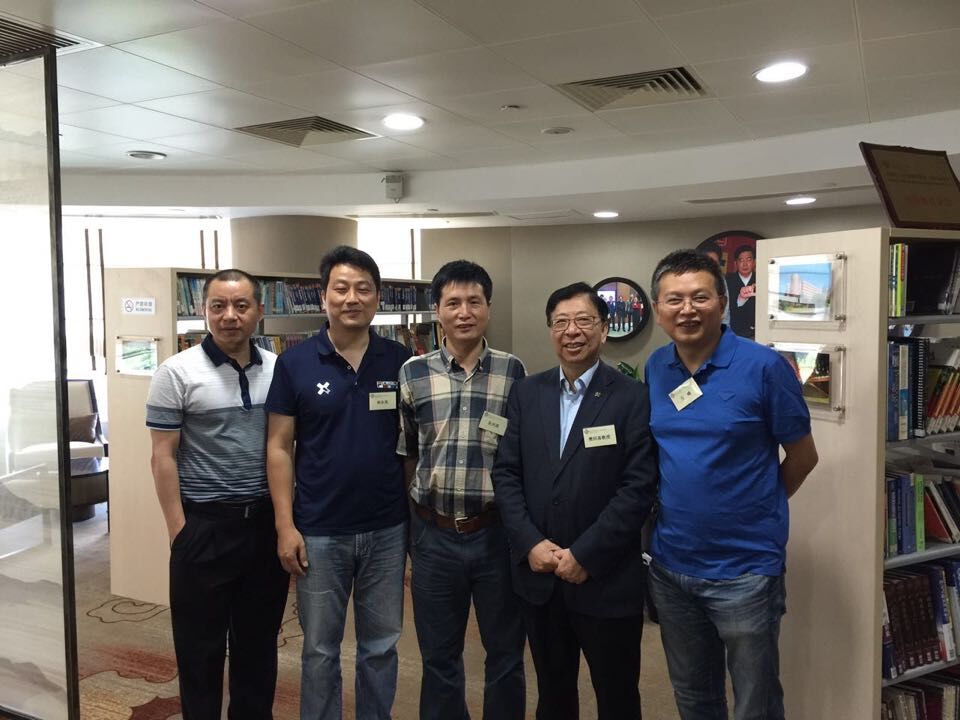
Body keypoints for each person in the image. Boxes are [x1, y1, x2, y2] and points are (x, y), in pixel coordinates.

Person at [645, 249, 819, 720]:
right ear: (658, 309)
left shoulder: (765, 367)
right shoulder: (656, 367)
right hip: (671, 566)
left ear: (722, 303)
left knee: (754, 703)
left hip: (745, 570)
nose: (687, 309)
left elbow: (804, 457)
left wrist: (757, 506)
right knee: (693, 697)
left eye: (699, 297)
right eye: (674, 299)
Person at [493, 282, 658, 719]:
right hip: (541, 578)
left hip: (606, 579)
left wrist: (586, 553)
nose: (572, 331)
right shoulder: (527, 393)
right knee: (553, 697)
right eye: (561, 322)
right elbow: (506, 473)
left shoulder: (632, 397)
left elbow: (638, 487)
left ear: (603, 329)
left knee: (618, 698)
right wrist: (530, 543)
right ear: (550, 330)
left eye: (584, 320)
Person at [265, 246, 410, 720]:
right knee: (320, 649)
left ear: (377, 297)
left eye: (363, 289)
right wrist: (285, 525)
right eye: (341, 288)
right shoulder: (295, 363)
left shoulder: (401, 361)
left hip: (387, 528)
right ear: (324, 296)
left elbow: (412, 445)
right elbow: (279, 447)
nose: (352, 298)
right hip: (319, 530)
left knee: (381, 646)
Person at [147, 268, 288, 720]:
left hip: (263, 528)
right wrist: (179, 531)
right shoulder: (175, 372)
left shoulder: (279, 370)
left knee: (258, 648)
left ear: (259, 311)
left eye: (241, 306)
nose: (230, 316)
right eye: (218, 306)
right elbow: (162, 456)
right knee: (199, 651)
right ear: (203, 310)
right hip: (204, 529)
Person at [398, 260, 526, 720]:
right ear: (437, 310)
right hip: (433, 537)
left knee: (506, 653)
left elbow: (522, 454)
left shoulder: (514, 371)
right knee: (438, 657)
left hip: (496, 535)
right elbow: (408, 453)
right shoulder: (412, 372)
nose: (464, 312)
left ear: (488, 307)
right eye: (453, 303)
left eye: (474, 301)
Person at [726, 244, 757, 339]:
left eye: (748, 260)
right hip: (734, 333)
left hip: (757, 333)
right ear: (736, 263)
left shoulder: (761, 279)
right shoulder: (727, 281)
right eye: (741, 260)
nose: (745, 264)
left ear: (754, 262)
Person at [697, 242, 730, 326]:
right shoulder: (693, 279)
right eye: (707, 261)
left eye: (715, 262)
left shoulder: (721, 279)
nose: (711, 265)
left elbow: (725, 311)